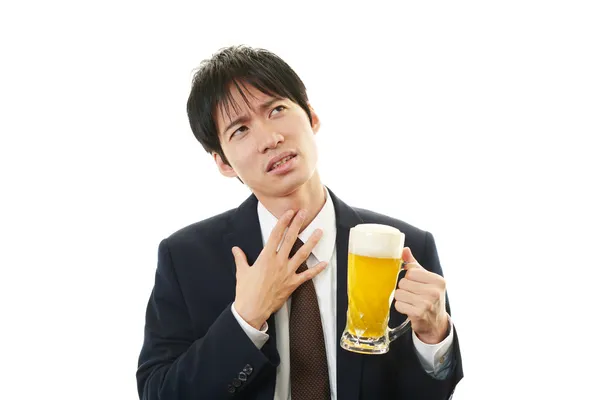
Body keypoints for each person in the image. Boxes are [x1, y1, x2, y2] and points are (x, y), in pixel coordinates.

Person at [136, 45, 464, 400]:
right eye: (240, 130)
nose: (269, 139)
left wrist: (433, 337)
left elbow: (428, 394)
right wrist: (245, 318)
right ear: (223, 163)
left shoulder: (403, 248)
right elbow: (159, 393)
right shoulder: (184, 258)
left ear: (311, 116)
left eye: (276, 110)